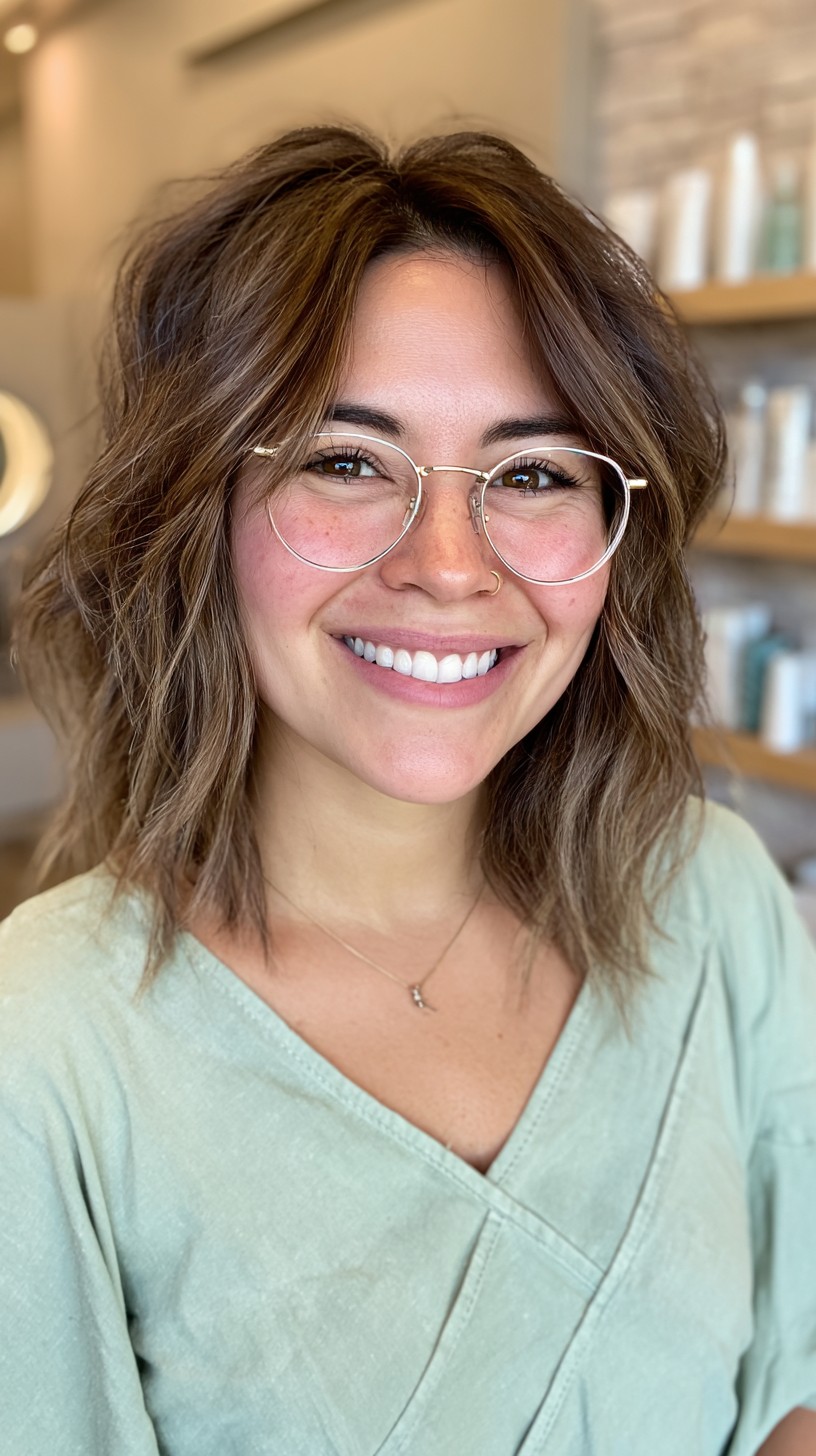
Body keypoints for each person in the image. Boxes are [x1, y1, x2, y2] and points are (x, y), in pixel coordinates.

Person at [1, 124, 814, 1456]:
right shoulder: (44, 1053)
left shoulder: (711, 898)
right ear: (198, 507)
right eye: (346, 460)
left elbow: (794, 1390)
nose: (448, 563)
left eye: (535, 473)